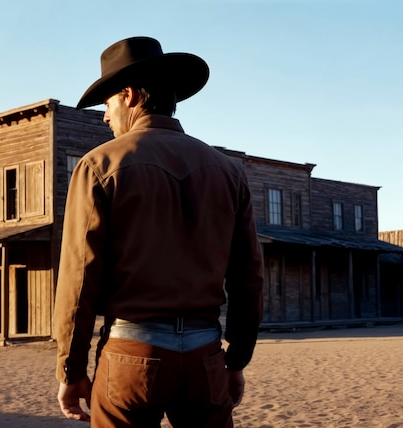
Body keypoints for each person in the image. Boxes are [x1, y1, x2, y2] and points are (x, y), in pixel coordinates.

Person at [54, 36, 264, 427]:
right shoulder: (228, 170)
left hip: (131, 353)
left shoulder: (99, 165)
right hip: (205, 354)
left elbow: (80, 278)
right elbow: (249, 276)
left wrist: (71, 369)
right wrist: (235, 361)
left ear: (129, 96)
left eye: (107, 103)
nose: (105, 116)